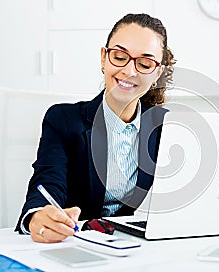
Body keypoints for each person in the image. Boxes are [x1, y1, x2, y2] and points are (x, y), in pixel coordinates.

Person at [15, 13, 176, 243]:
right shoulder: (62, 119)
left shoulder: (165, 126)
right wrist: (38, 215)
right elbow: (49, 180)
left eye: (144, 63)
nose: (130, 71)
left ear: (157, 73)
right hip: (74, 243)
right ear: (103, 58)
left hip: (134, 247)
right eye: (119, 57)